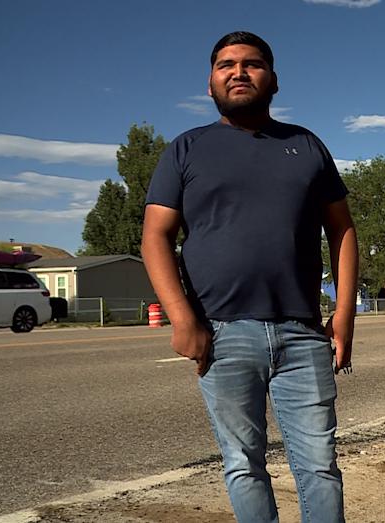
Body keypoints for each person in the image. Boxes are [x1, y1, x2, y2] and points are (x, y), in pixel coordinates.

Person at [141, 31, 358, 523]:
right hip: (221, 333)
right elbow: (156, 235)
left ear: (273, 80)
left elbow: (342, 230)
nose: (239, 72)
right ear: (210, 83)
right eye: (226, 65)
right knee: (243, 465)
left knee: (320, 466)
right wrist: (182, 318)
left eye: (252, 63)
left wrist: (344, 314)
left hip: (302, 332)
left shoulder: (305, 145)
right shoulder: (187, 149)